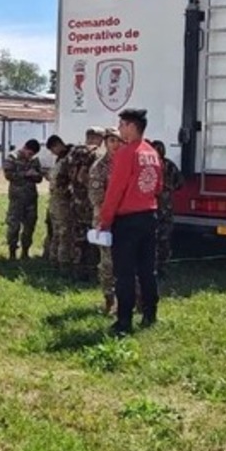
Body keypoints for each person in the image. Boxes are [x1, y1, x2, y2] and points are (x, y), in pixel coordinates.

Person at [98, 108, 163, 336]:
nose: (120, 128)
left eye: (122, 125)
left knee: (124, 272)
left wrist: (105, 220)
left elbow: (115, 190)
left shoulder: (126, 154)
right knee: (147, 270)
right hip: (149, 215)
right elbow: (158, 187)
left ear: (131, 126)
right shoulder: (152, 152)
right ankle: (150, 314)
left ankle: (124, 321)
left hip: (128, 219)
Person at [58, 127, 105, 280]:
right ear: (100, 138)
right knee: (93, 237)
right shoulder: (98, 155)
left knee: (77, 237)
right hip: (91, 202)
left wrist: (68, 194)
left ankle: (75, 270)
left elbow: (61, 178)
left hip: (75, 201)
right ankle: (91, 272)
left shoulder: (71, 154)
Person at [88, 126, 123, 314]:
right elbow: (96, 198)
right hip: (106, 220)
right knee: (108, 262)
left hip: (126, 220)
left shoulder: (127, 163)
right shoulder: (99, 167)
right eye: (111, 141)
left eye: (118, 141)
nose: (115, 145)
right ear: (106, 143)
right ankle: (109, 299)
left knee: (127, 261)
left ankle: (130, 299)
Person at [2, 139, 43, 259]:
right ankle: (12, 252)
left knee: (30, 225)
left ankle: (25, 251)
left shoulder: (35, 160)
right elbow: (8, 175)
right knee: (14, 225)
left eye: (33, 154)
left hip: (31, 198)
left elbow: (39, 178)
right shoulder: (12, 157)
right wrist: (25, 174)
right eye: (29, 153)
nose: (30, 156)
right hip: (17, 198)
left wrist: (35, 175)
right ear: (24, 148)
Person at [151, 140, 183, 276]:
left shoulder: (166, 166)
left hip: (161, 210)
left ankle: (160, 267)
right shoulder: (167, 165)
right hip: (157, 209)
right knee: (156, 240)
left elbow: (180, 183)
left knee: (162, 240)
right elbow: (179, 184)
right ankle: (157, 267)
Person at [45, 135, 72, 269]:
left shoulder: (68, 157)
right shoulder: (62, 158)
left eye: (52, 149)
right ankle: (58, 261)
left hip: (62, 200)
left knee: (62, 232)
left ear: (58, 145)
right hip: (58, 200)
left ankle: (59, 261)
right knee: (59, 231)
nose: (52, 153)